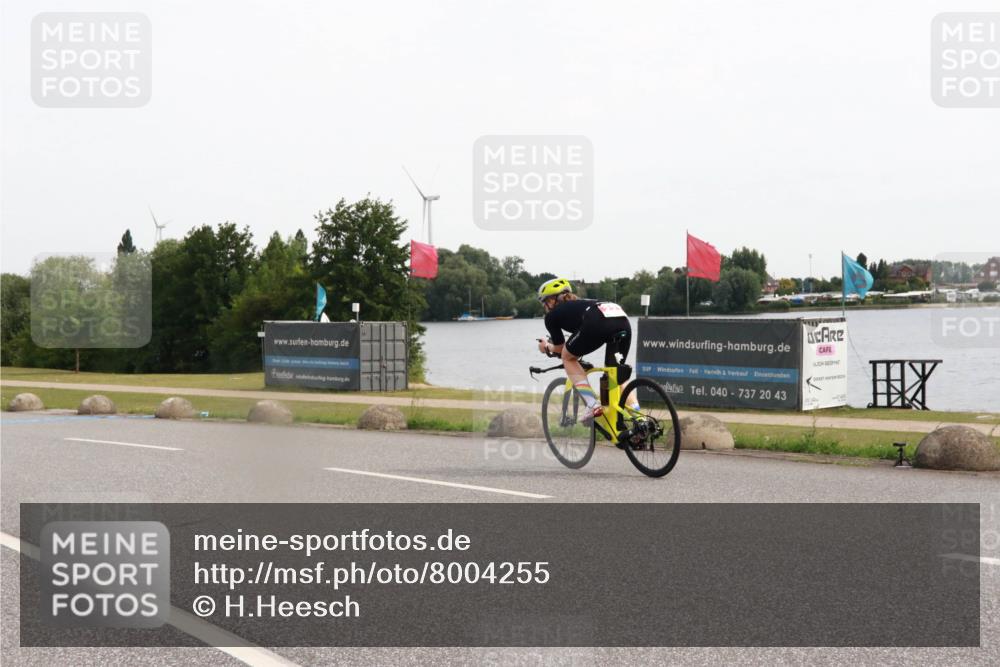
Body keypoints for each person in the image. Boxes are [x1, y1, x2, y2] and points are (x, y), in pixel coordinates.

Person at [535, 278, 634, 423]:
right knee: (615, 373)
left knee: (567, 357)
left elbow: (560, 347)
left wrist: (546, 347)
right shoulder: (582, 303)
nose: (545, 306)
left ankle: (592, 404)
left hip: (597, 321)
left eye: (544, 302)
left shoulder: (552, 316)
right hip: (621, 319)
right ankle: (638, 414)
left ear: (551, 300)